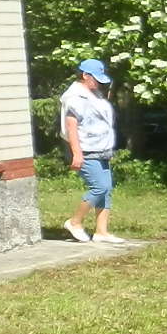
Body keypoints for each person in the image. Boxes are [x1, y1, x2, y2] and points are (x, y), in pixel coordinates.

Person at [59, 59, 130, 245]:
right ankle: (74, 222)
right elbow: (71, 127)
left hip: (101, 148)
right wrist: (77, 154)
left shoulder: (94, 94)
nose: (99, 83)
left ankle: (101, 232)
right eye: (96, 79)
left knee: (106, 190)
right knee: (99, 187)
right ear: (85, 75)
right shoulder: (75, 97)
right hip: (85, 149)